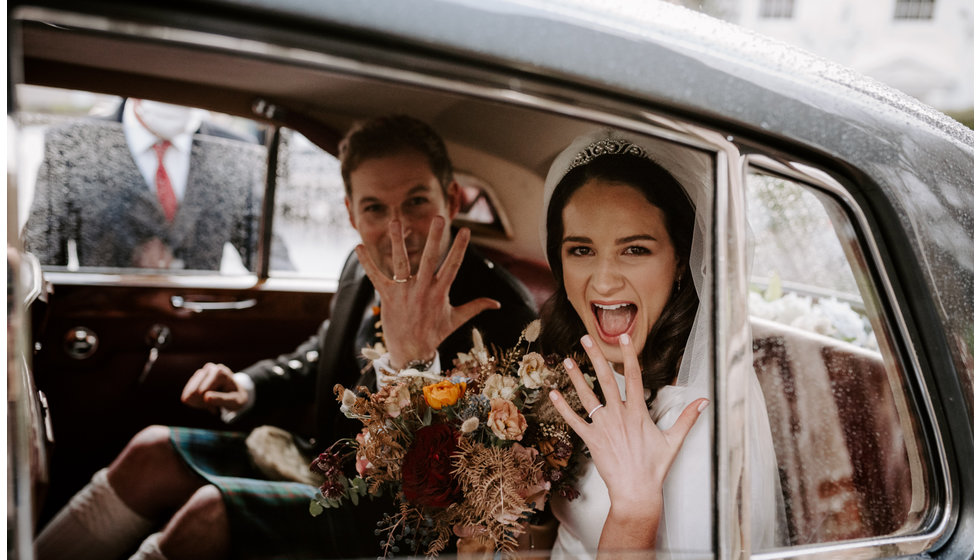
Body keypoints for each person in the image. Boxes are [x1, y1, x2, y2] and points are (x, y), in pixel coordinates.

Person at [34, 115, 538, 560]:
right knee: (149, 451)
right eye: (374, 209)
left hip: (394, 520)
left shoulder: (498, 309)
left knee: (210, 514)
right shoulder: (362, 265)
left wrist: (416, 359)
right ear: (350, 212)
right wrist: (249, 387)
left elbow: (463, 479)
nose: (397, 228)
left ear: (451, 198)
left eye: (416, 201)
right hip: (326, 462)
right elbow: (327, 349)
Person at [536, 131, 784, 557]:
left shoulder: (703, 420)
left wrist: (635, 511)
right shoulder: (567, 366)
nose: (604, 280)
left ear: (683, 264)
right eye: (581, 250)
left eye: (634, 248)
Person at [21, 97, 293, 271]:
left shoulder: (233, 151)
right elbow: (39, 257)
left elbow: (266, 252)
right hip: (104, 332)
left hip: (200, 332)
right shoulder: (72, 145)